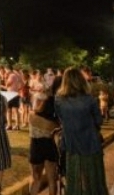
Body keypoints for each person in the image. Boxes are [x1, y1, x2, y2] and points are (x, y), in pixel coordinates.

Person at [54, 67, 108, 195]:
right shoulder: (89, 99)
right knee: (94, 180)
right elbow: (99, 121)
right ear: (81, 80)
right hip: (90, 143)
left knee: (73, 180)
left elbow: (60, 119)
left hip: (71, 144)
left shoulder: (59, 100)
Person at [28, 76, 61, 195]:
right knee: (52, 181)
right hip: (49, 146)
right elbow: (56, 129)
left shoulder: (32, 116)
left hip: (35, 146)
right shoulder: (54, 122)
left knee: (35, 179)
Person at [5, 65, 22, 130]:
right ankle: (17, 125)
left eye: (6, 70)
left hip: (10, 94)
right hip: (16, 93)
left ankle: (10, 125)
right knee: (15, 110)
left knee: (9, 110)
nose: (6, 71)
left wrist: (6, 77)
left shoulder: (11, 75)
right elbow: (22, 83)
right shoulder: (17, 75)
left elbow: (7, 84)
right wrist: (18, 89)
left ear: (9, 69)